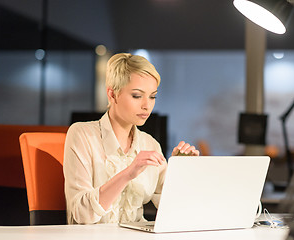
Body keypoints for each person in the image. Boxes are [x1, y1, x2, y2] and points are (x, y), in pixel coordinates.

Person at [63, 53, 199, 224]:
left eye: (152, 96)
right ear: (112, 95)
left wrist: (181, 171)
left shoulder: (150, 144)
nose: (146, 105)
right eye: (137, 95)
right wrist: (128, 173)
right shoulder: (82, 134)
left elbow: (176, 211)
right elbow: (81, 215)